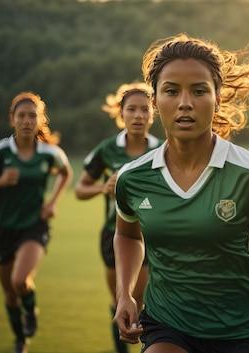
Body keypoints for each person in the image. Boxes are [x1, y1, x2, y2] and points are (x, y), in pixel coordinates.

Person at [112, 34, 249, 353]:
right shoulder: (133, 177)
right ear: (154, 101)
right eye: (171, 91)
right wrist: (126, 293)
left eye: (198, 90)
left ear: (218, 97)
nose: (184, 103)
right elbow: (127, 236)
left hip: (246, 330)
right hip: (168, 323)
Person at [0, 92, 73, 353]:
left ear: (39, 120)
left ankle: (31, 312)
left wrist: (52, 204)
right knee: (9, 294)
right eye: (21, 116)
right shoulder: (0, 151)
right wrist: (0, 181)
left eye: (32, 116)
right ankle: (20, 340)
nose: (27, 121)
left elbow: (66, 173)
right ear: (12, 120)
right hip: (3, 230)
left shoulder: (49, 153)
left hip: (34, 227)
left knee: (20, 281)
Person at [75, 82, 162, 353]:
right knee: (120, 302)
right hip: (114, 234)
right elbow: (80, 189)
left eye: (144, 110)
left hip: (150, 236)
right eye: (131, 110)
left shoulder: (164, 149)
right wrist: (103, 187)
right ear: (121, 114)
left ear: (153, 113)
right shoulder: (107, 149)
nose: (138, 116)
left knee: (138, 300)